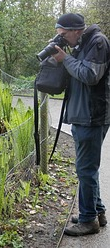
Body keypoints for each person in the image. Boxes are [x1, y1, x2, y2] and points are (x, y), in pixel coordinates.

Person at [52, 13, 110, 236]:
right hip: (82, 115)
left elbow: (89, 75)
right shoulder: (81, 44)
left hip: (92, 116)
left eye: (64, 35)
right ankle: (97, 212)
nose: (63, 39)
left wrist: (65, 59)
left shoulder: (98, 42)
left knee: (85, 169)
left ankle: (88, 221)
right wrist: (62, 58)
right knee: (87, 169)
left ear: (76, 30)